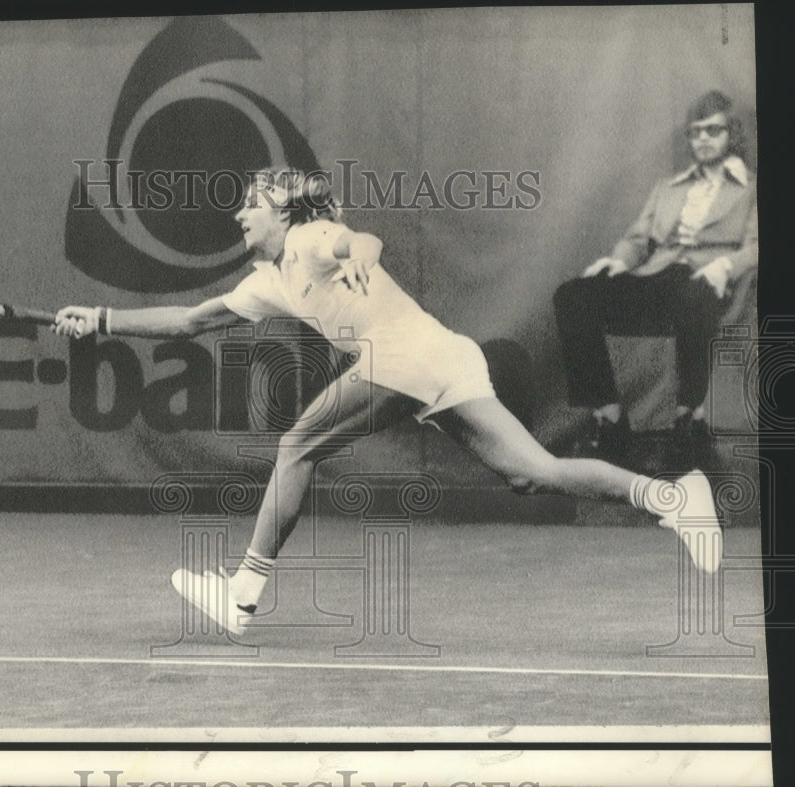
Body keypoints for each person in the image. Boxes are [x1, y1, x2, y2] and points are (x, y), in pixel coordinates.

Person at [55, 166, 722, 637]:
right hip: (443, 354)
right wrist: (105, 318)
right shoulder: (269, 280)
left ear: (283, 210)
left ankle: (242, 595)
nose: (238, 214)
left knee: (297, 443)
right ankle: (672, 497)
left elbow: (359, 241)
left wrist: (359, 256)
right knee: (534, 471)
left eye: (250, 203)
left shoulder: (310, 239)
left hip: (405, 354)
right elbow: (191, 320)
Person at [553, 90, 757, 462]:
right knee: (572, 295)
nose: (704, 139)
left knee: (693, 297)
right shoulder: (668, 189)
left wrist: (724, 266)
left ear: (732, 134)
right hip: (656, 277)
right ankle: (612, 422)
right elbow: (637, 238)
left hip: (706, 282)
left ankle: (687, 421)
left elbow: (758, 246)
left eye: (713, 130)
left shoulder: (752, 189)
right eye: (696, 132)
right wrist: (617, 262)